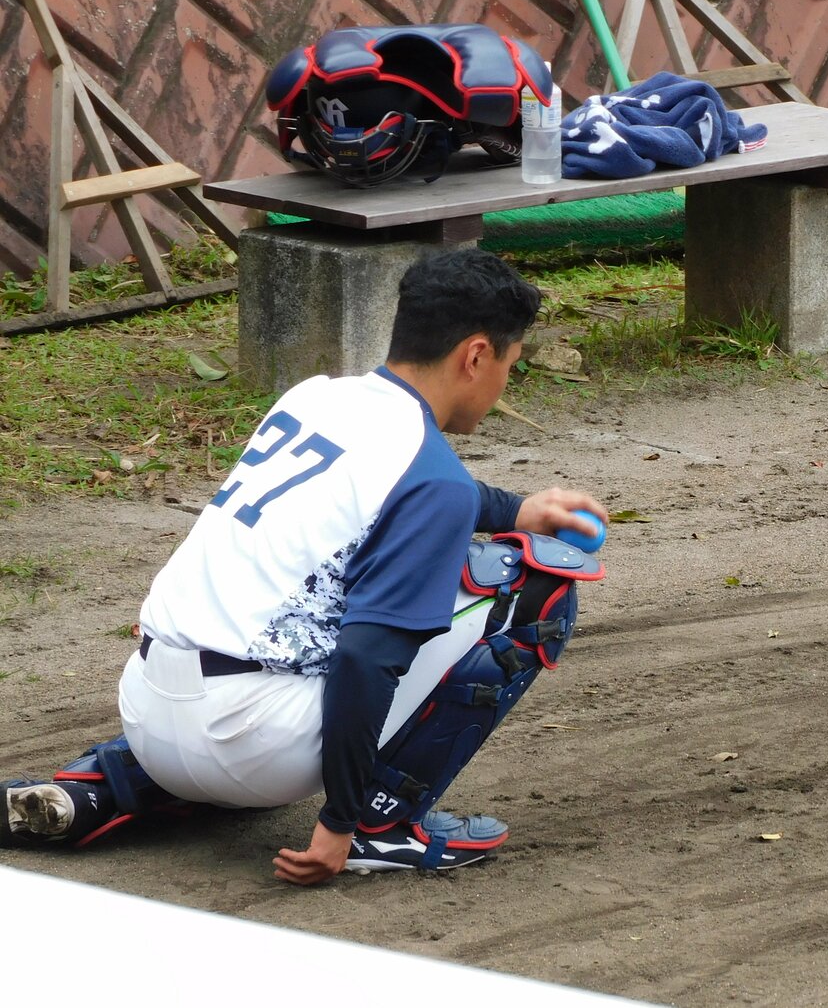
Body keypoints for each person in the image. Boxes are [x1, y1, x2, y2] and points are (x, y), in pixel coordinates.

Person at [2, 248, 609, 882]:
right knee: (535, 586)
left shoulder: (319, 398)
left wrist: (514, 509)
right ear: (476, 355)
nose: (505, 382)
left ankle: (102, 787)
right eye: (510, 364)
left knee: (295, 624)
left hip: (149, 713)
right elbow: (366, 658)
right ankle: (386, 825)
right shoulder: (434, 481)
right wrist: (338, 823)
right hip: (253, 744)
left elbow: (401, 492)